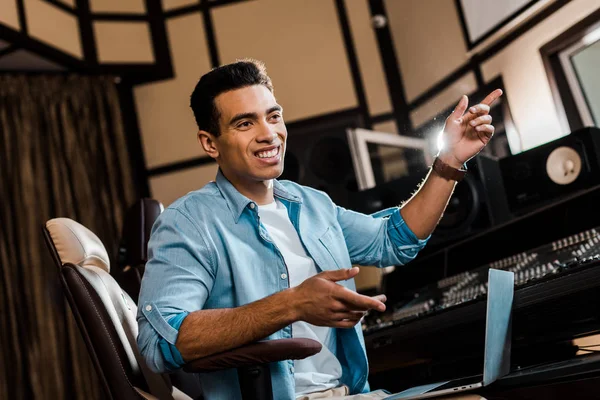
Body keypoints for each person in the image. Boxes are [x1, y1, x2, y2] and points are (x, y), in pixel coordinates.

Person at [137, 59, 502, 400]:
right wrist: (291, 304)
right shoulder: (187, 223)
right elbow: (159, 343)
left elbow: (395, 239)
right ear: (209, 143)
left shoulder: (310, 203)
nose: (269, 134)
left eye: (273, 116)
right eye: (245, 123)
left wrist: (449, 161)